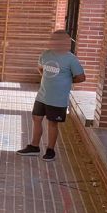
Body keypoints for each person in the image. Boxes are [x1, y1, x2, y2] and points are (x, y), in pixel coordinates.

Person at [16, 31, 85, 162]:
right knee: (36, 118)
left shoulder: (71, 59)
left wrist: (66, 81)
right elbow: (40, 68)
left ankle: (50, 150)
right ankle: (34, 147)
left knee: (52, 123)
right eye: (54, 40)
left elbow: (81, 77)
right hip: (42, 95)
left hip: (58, 98)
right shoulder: (45, 54)